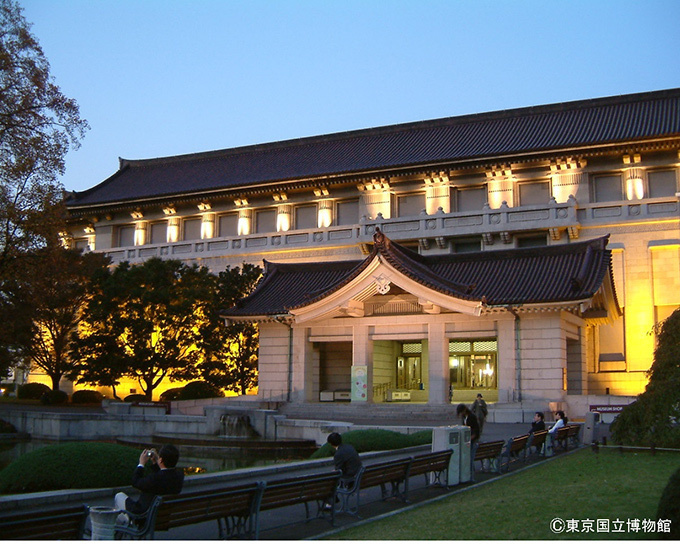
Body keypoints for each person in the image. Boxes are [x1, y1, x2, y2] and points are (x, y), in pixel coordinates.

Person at [115, 444, 184, 518]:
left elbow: (135, 482)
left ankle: (124, 525)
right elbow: (164, 475)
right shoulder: (179, 476)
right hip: (162, 518)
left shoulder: (154, 479)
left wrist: (141, 464)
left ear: (161, 460)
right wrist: (156, 462)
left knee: (119, 496)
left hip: (143, 516)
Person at [456, 403, 479, 479]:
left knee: (470, 459)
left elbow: (476, 429)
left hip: (472, 439)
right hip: (467, 439)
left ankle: (471, 476)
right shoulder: (464, 417)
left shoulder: (472, 417)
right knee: (468, 459)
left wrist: (472, 437)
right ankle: (468, 475)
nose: (461, 414)